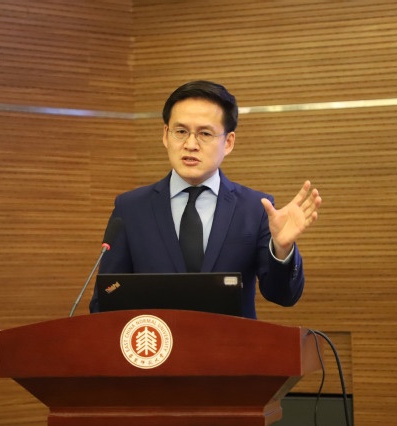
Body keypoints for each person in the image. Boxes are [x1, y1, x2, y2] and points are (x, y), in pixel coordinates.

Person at [89, 80, 321, 319]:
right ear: (166, 135)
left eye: (205, 134)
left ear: (228, 142)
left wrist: (282, 250)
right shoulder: (130, 209)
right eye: (181, 132)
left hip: (230, 343)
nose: (190, 145)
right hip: (156, 342)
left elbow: (283, 296)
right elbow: (105, 301)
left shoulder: (255, 208)